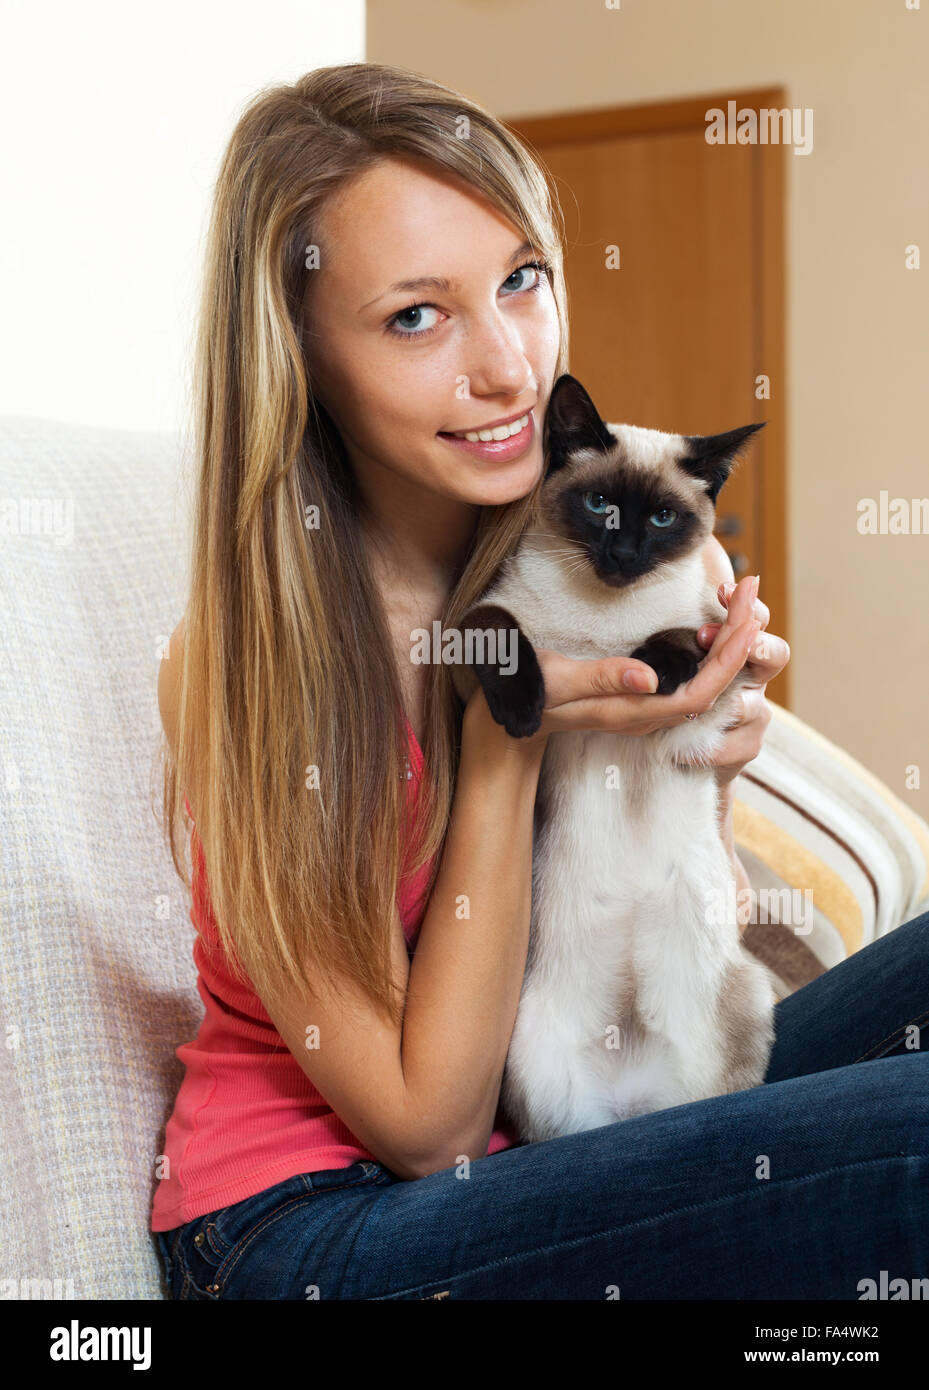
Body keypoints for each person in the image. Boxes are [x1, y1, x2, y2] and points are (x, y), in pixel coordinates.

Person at [152, 62, 927, 1300]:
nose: (509, 367)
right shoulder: (246, 660)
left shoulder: (565, 549)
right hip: (310, 1229)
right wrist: (509, 737)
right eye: (416, 316)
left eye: (519, 281)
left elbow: (658, 940)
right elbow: (428, 1128)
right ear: (298, 355)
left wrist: (692, 768)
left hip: (566, 1124)